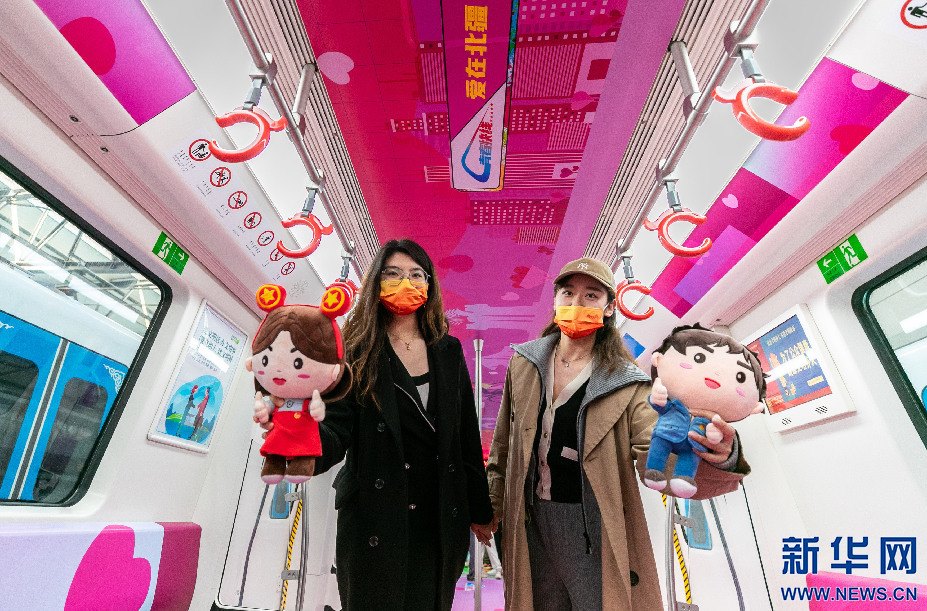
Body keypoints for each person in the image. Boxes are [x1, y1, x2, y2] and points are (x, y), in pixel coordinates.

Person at [485, 257, 751, 610]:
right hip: (527, 520)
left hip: (591, 524)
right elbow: (504, 443)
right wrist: (491, 505)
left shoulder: (627, 384)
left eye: (591, 296)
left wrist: (716, 455)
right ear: (555, 300)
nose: (577, 304)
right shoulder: (524, 364)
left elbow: (655, 447)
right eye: (568, 293)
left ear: (609, 307)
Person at [258, 239, 494, 610]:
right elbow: (336, 430)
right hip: (374, 512)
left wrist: (480, 510)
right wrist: (296, 434)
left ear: (429, 286)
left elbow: (464, 436)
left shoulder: (448, 350)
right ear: (377, 284)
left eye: (416, 275)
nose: (406, 283)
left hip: (437, 515)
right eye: (393, 274)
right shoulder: (357, 350)